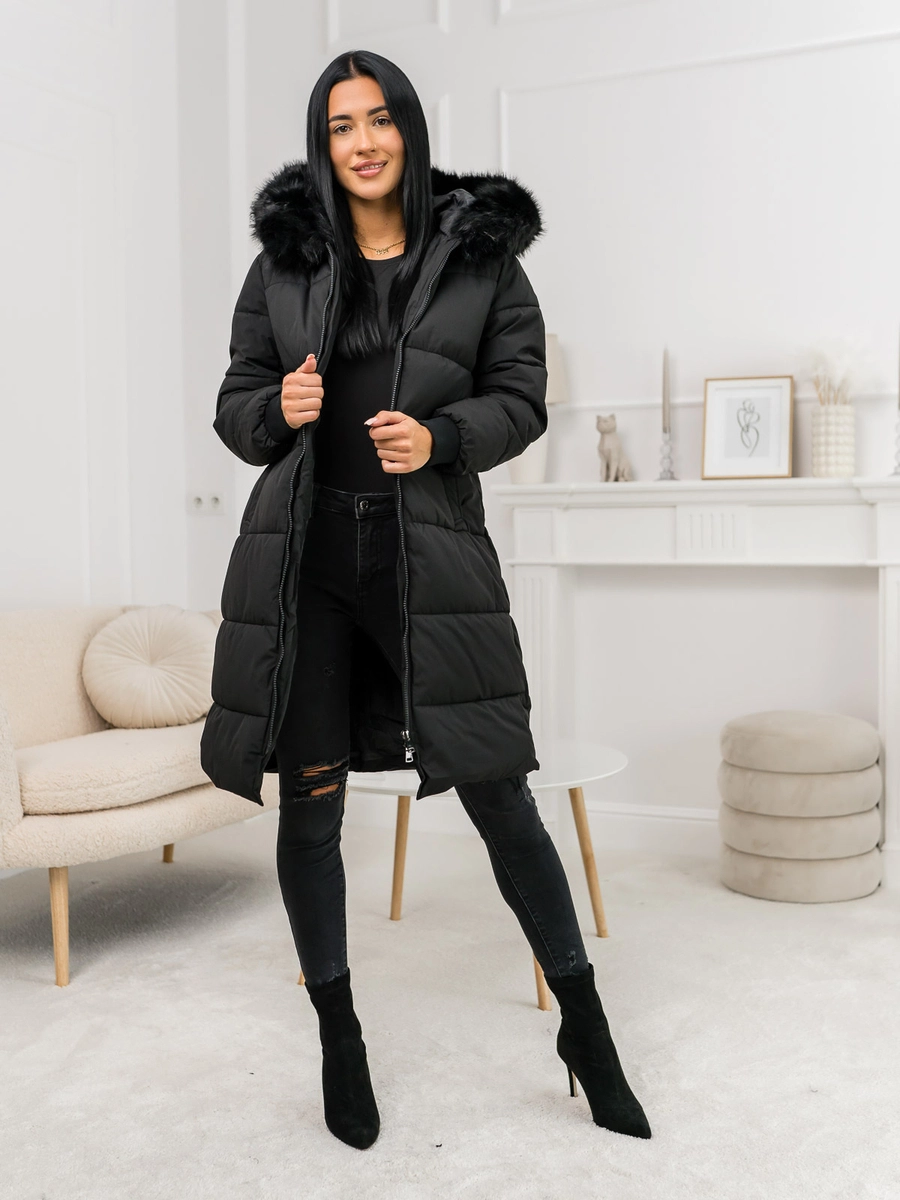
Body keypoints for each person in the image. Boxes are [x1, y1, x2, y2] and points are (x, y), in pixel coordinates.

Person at [200, 49, 651, 1150]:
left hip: (427, 558)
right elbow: (236, 406)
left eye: (379, 119)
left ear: (408, 126)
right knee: (312, 806)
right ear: (324, 142)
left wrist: (443, 437)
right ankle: (339, 1036)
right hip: (307, 560)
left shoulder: (482, 257)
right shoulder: (283, 262)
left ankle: (585, 1026)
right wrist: (278, 408)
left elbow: (522, 399)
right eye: (340, 124)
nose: (362, 141)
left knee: (499, 792)